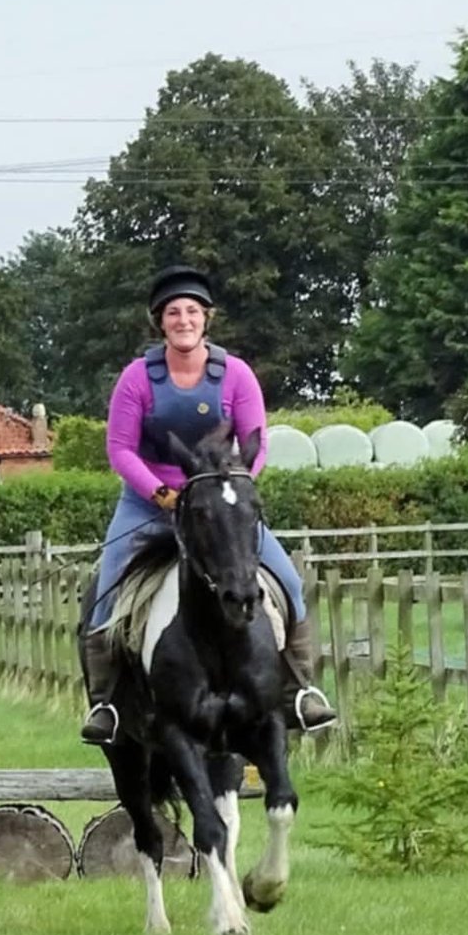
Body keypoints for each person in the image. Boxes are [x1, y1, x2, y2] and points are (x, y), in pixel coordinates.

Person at [78, 263, 336, 746]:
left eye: (192, 311)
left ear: (206, 319)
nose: (183, 320)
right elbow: (120, 449)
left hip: (219, 506)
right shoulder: (137, 379)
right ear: (161, 322)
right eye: (173, 313)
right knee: (107, 589)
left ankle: (300, 690)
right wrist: (164, 494)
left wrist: (226, 491)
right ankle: (106, 704)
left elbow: (255, 444)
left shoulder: (235, 374)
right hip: (150, 501)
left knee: (290, 584)